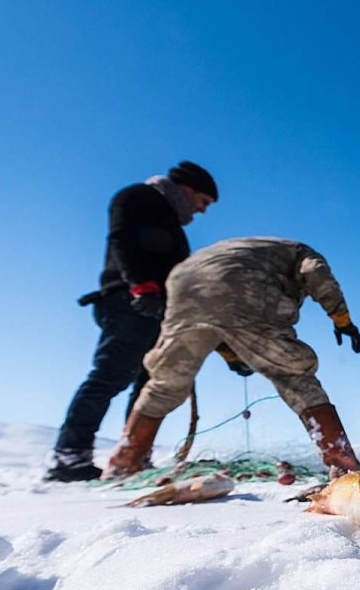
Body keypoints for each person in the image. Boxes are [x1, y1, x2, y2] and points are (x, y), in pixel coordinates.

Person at [103, 237, 360, 479]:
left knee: (165, 382)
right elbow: (316, 274)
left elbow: (219, 326)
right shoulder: (300, 252)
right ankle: (341, 460)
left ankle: (124, 461)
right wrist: (341, 319)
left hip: (183, 281)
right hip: (244, 283)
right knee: (293, 374)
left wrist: (233, 355)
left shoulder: (235, 249)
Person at [45, 161, 218, 482]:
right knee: (110, 375)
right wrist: (143, 288)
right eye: (203, 201)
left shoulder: (171, 223)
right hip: (130, 301)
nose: (203, 211)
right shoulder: (138, 198)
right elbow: (121, 240)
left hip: (159, 310)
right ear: (187, 189)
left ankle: (134, 455)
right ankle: (69, 457)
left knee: (147, 384)